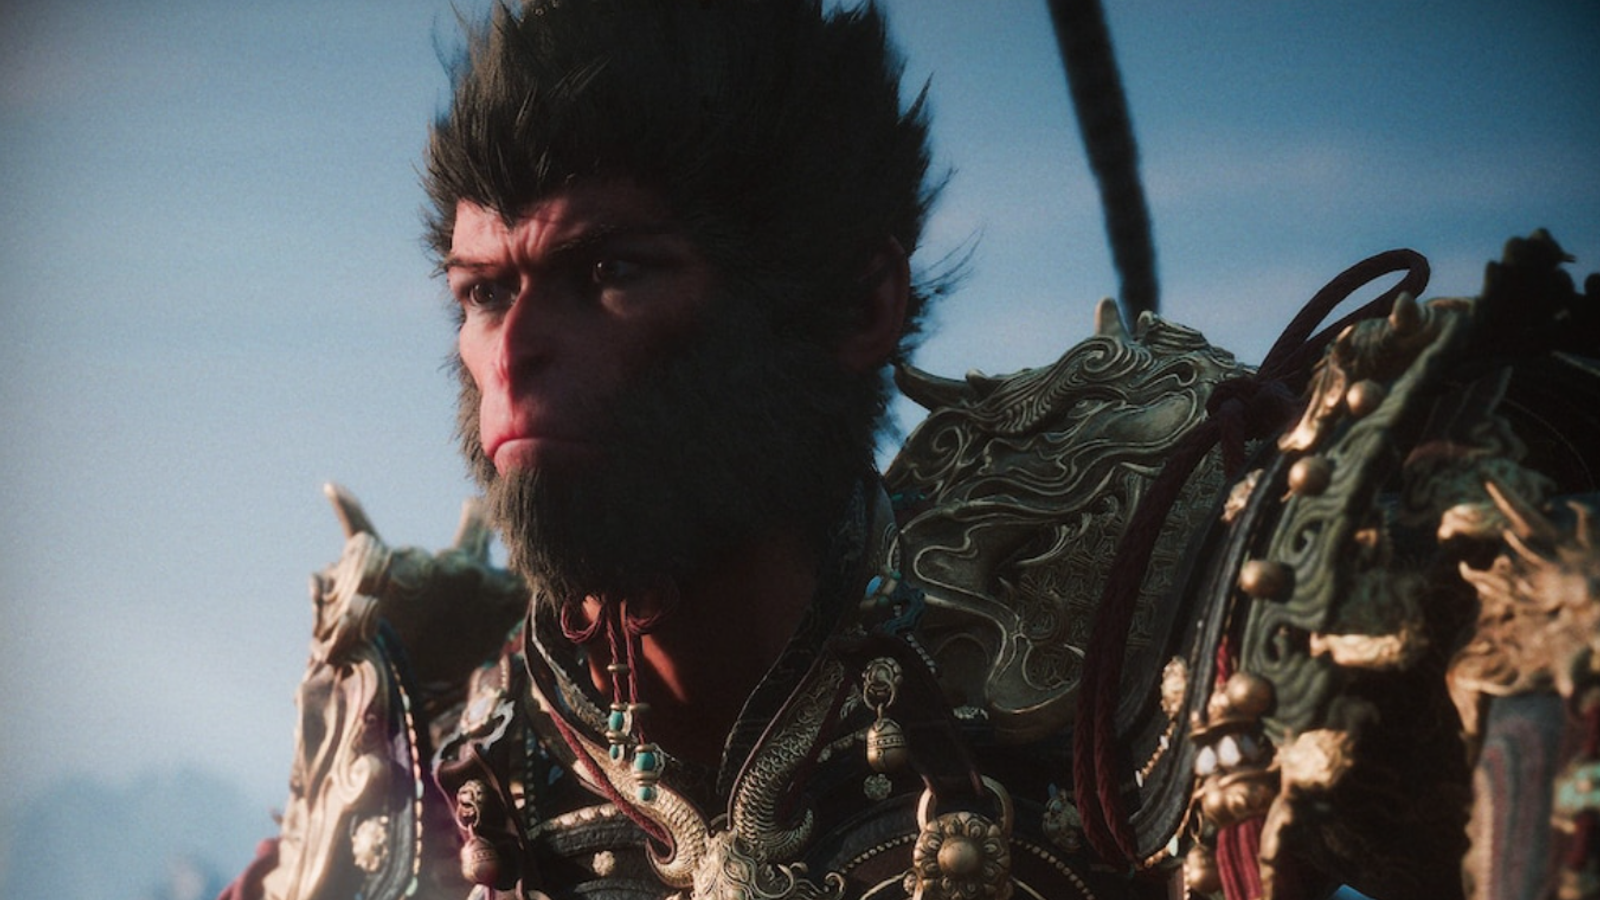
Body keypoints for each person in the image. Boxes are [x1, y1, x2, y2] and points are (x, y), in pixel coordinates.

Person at [225, 2, 1600, 899]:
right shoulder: (434, 771)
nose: (516, 348)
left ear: (857, 305)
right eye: (483, 291)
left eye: (611, 272)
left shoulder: (1129, 622)